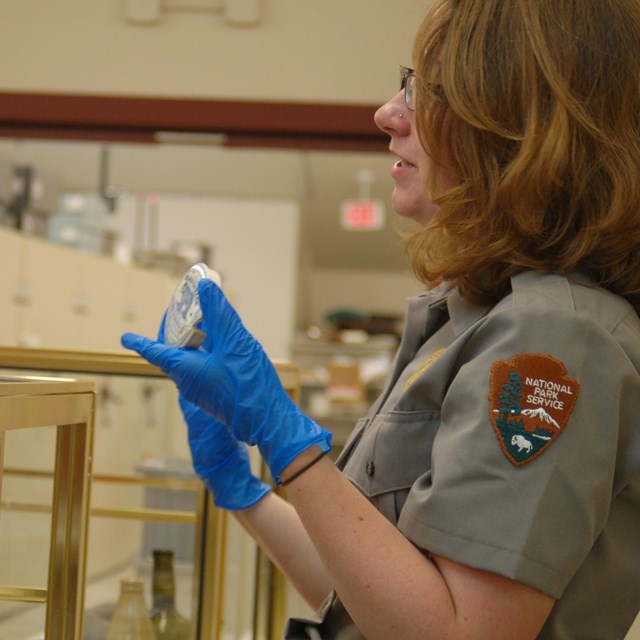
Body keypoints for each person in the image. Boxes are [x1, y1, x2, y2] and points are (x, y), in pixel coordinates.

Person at [122, 0, 640, 637]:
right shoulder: (476, 316)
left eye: (428, 92)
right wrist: (248, 491)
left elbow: (455, 631)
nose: (388, 114)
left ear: (522, 128)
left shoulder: (557, 340)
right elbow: (367, 600)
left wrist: (291, 447)